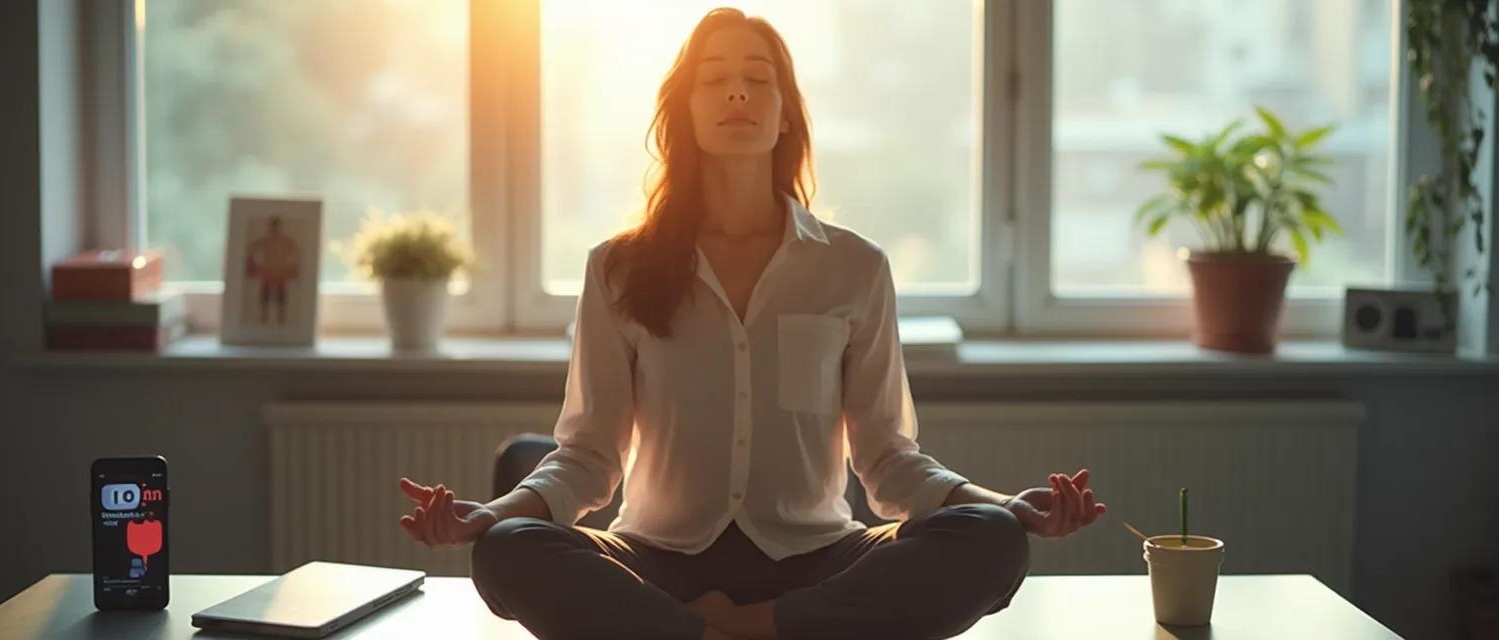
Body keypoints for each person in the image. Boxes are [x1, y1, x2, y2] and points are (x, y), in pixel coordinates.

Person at [397, 8, 1106, 639]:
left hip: (819, 562)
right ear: (686, 109)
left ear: (786, 111)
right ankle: (713, 633)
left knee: (992, 539)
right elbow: (588, 456)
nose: (736, 90)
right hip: (654, 561)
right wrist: (491, 513)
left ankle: (751, 629)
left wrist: (1006, 504)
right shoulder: (617, 268)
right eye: (713, 78)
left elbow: (889, 459)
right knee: (507, 551)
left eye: (758, 78)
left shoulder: (854, 266)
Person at [244, 215, 299, 325]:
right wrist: (255, 266)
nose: (274, 229)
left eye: (276, 226)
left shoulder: (286, 240)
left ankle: (281, 322)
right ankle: (263, 322)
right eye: (273, 226)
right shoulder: (265, 240)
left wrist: (292, 267)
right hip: (268, 273)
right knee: (265, 298)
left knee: (281, 299)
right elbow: (251, 248)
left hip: (280, 273)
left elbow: (296, 252)